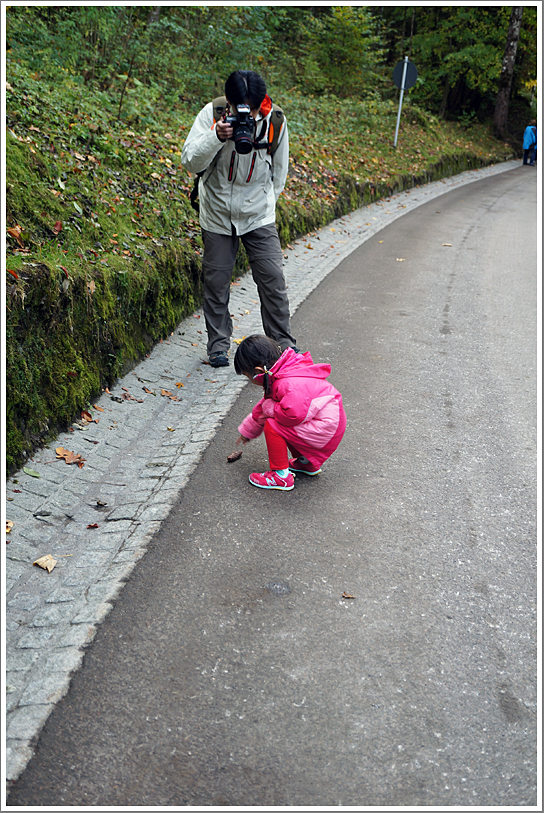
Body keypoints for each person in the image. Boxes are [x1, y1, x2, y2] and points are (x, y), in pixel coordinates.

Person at [181, 70, 297, 368]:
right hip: (217, 213)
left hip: (258, 214)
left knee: (273, 280)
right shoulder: (213, 113)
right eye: (240, 108)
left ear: (262, 102)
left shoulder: (275, 121)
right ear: (230, 103)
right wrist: (215, 136)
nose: (248, 115)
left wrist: (265, 205)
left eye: (253, 108)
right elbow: (189, 161)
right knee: (216, 281)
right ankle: (218, 345)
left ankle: (283, 347)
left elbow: (279, 173)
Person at [234, 335, 347, 491]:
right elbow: (264, 407)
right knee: (279, 420)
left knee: (273, 426)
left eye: (248, 376)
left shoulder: (288, 383)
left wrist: (271, 408)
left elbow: (293, 415)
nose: (249, 380)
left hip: (326, 428)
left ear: (258, 371)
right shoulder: (284, 370)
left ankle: (280, 476)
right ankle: (306, 463)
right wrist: (249, 430)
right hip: (329, 424)